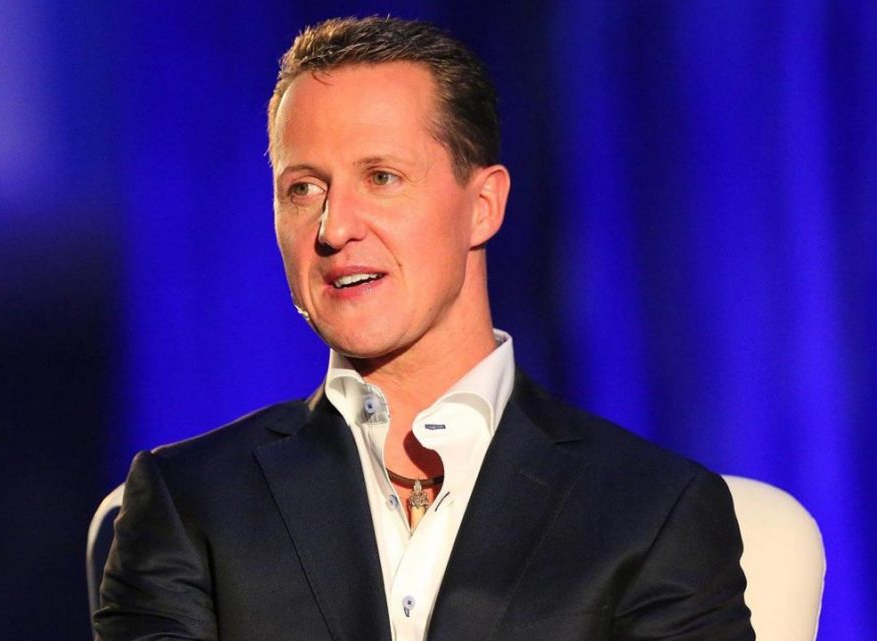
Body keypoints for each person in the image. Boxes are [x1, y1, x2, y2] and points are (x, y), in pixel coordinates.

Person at [93, 16, 753, 641]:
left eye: (381, 177)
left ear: (483, 205)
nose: (334, 227)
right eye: (303, 189)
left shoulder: (651, 511)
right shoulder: (189, 501)